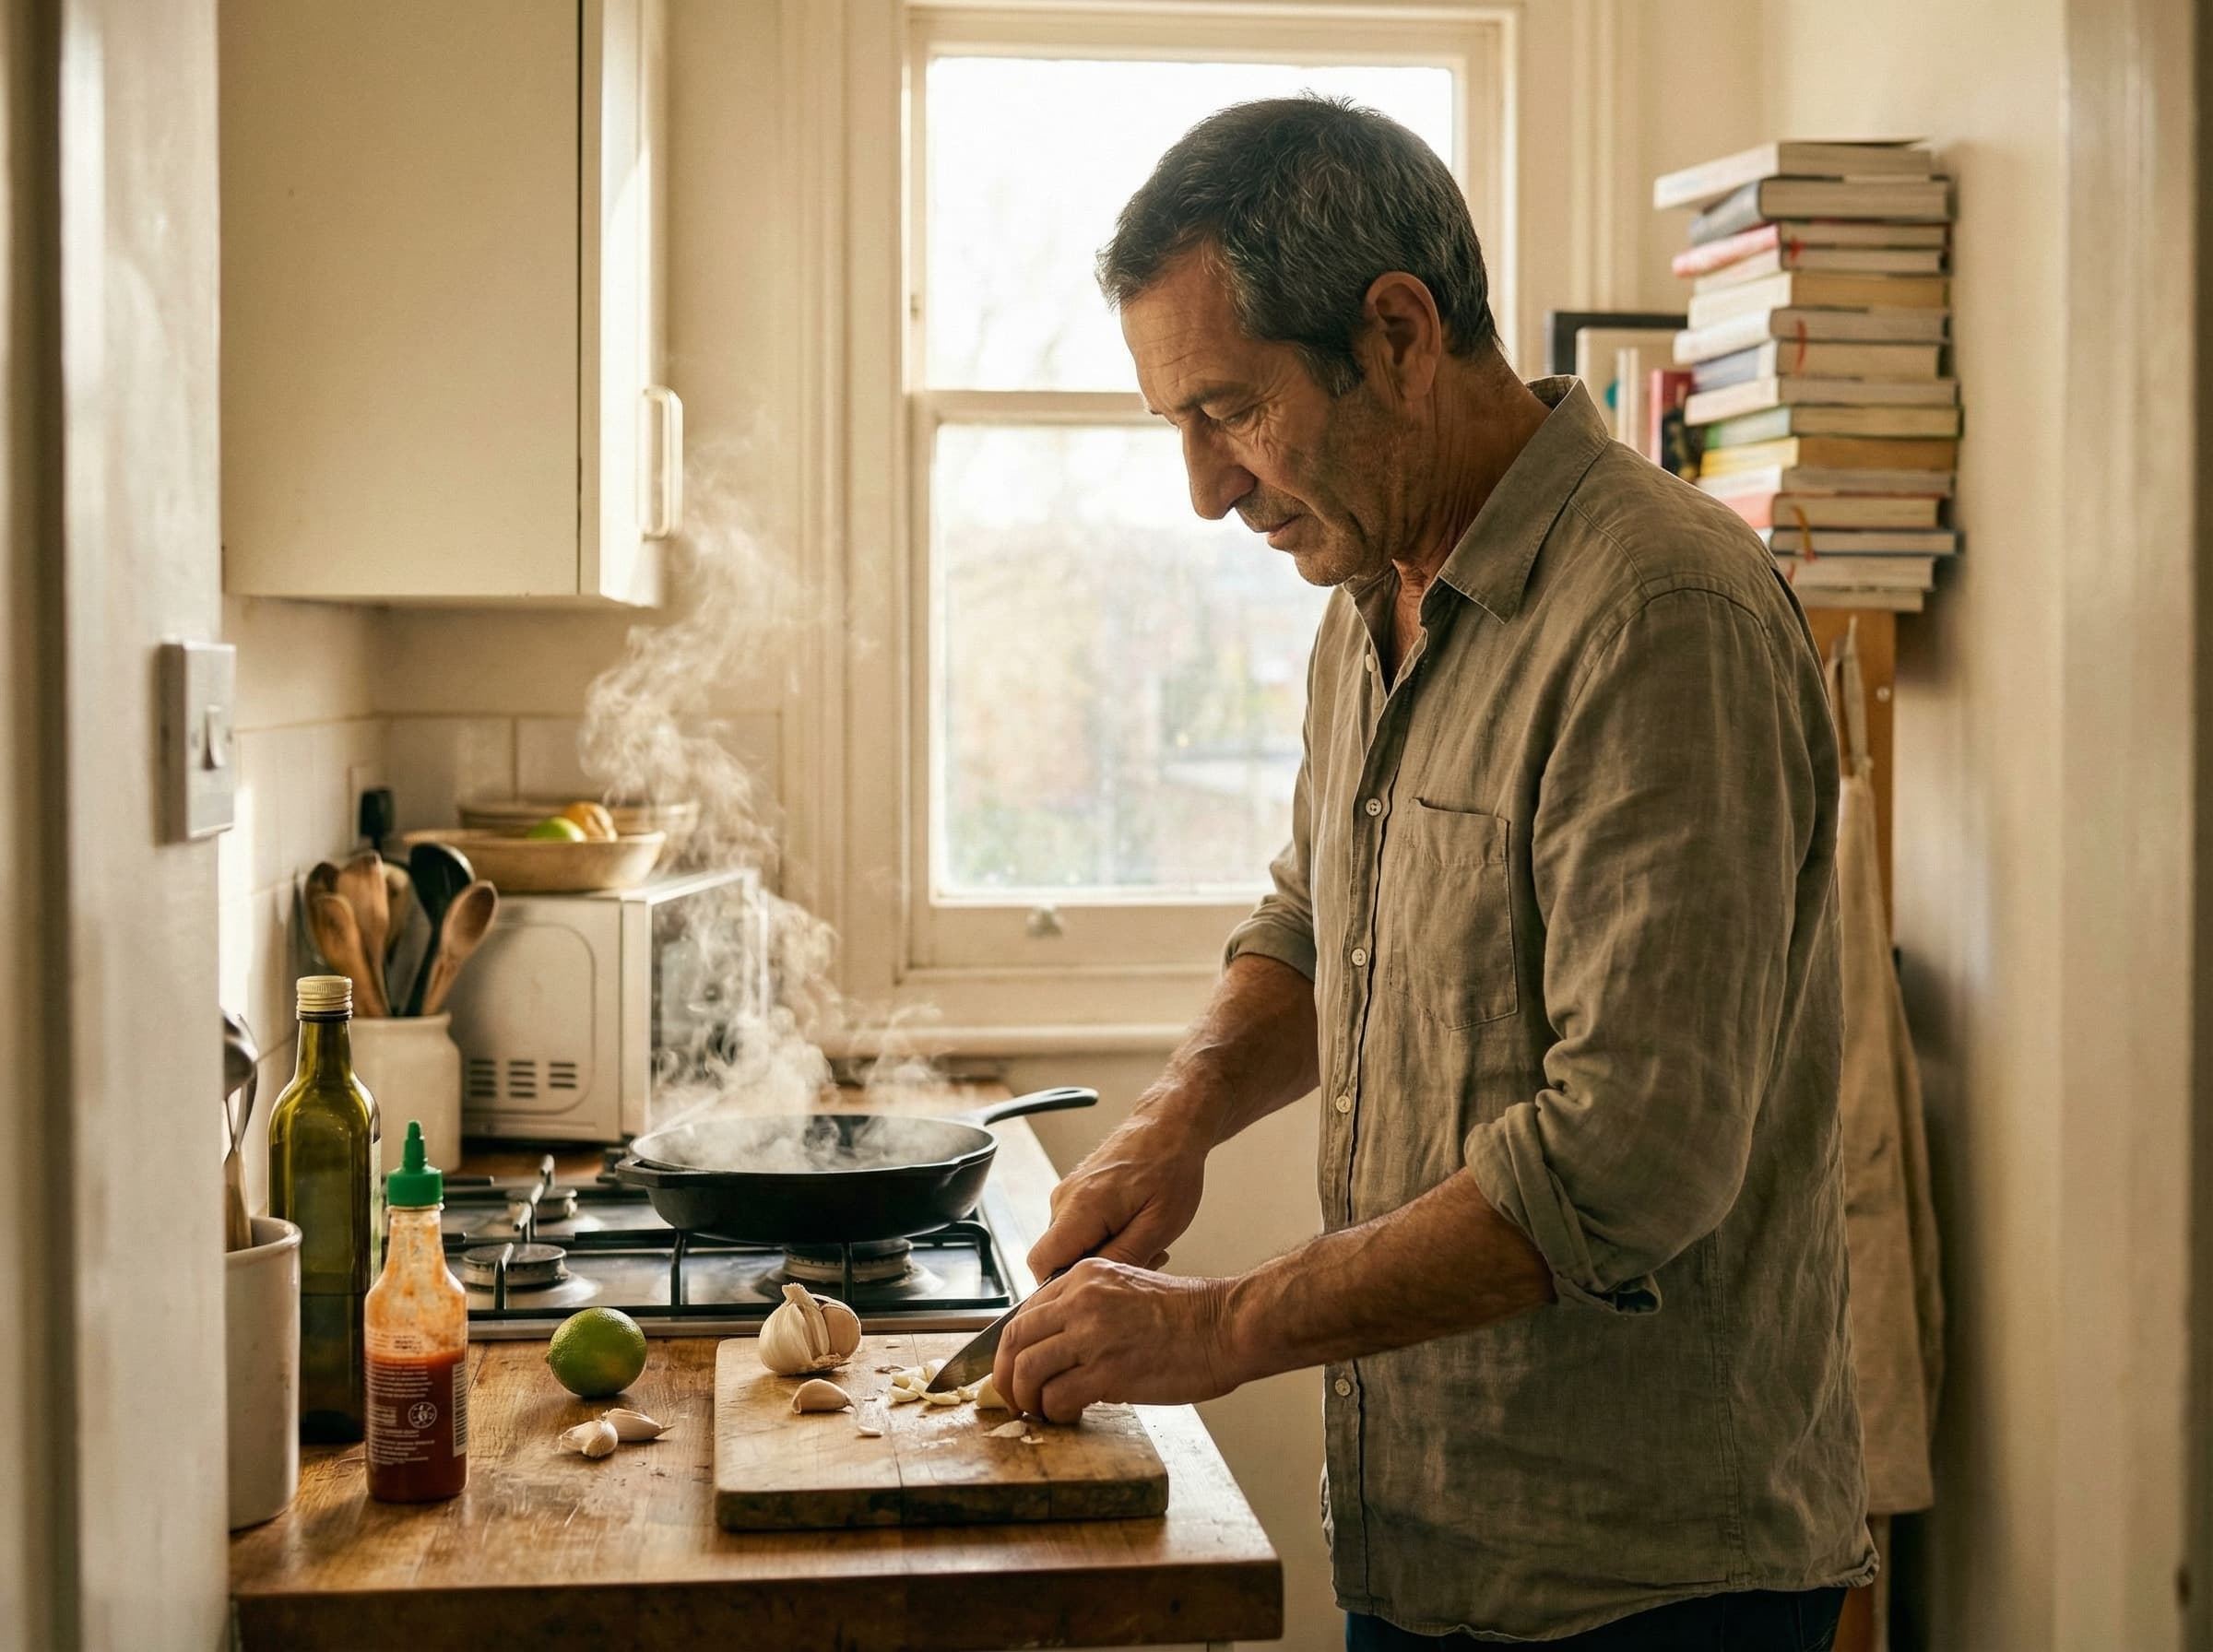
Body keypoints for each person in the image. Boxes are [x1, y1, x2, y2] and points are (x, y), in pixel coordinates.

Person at [986, 97, 1876, 1649]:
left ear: (1398, 332)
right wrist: (1173, 1125)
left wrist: (1218, 1330)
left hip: (1644, 1583)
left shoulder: (1660, 613)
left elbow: (1630, 1157)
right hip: (1426, 1536)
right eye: (1175, 428)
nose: (1206, 489)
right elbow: (1318, 925)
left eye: (1231, 411)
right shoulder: (1370, 591)